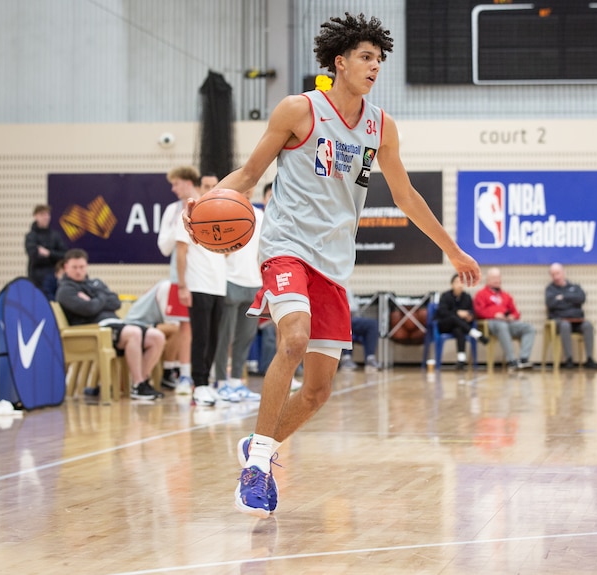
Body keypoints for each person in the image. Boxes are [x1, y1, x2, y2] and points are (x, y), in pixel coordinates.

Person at [183, 13, 480, 518]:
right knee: (293, 338)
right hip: (286, 245)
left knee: (318, 391)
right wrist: (211, 197)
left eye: (379, 60)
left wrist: (452, 249)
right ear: (339, 63)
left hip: (335, 263)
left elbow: (405, 196)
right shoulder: (298, 110)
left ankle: (259, 442)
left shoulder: (380, 126)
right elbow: (252, 173)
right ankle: (258, 465)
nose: (374, 67)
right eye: (366, 57)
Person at [56, 249, 166, 401]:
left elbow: (115, 302)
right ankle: (139, 383)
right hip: (95, 330)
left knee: (157, 336)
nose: (78, 271)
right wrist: (101, 297)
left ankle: (140, 383)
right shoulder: (65, 290)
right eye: (74, 267)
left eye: (81, 267)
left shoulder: (95, 283)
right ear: (66, 267)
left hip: (116, 324)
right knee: (134, 333)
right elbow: (89, 309)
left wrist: (94, 298)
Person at [175, 175, 227, 406]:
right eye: (206, 186)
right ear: (198, 187)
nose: (210, 189)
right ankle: (199, 384)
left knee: (214, 337)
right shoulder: (191, 213)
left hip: (218, 285)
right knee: (201, 336)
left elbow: (226, 251)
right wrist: (183, 285)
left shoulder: (223, 214)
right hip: (197, 284)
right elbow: (181, 252)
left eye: (214, 186)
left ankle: (207, 382)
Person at [214, 186, 264, 402]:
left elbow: (263, 248)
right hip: (229, 280)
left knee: (245, 337)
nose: (248, 190)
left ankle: (236, 382)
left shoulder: (260, 215)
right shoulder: (224, 212)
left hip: (254, 281)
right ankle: (220, 383)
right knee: (224, 336)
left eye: (251, 188)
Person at [158, 167, 200, 392]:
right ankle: (184, 375)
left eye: (175, 184)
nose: (173, 189)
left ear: (187, 182)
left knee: (206, 327)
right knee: (184, 326)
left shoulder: (204, 203)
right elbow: (164, 248)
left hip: (206, 277)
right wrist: (179, 226)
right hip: (181, 275)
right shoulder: (172, 211)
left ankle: (208, 374)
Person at [122, 279, 187, 388]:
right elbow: (170, 322)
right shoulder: (168, 287)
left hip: (151, 324)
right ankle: (168, 371)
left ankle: (176, 369)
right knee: (179, 329)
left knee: (183, 330)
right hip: (136, 324)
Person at [473, 267, 536, 370]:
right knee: (502, 326)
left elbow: (515, 312)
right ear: (488, 279)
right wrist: (494, 315)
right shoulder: (481, 294)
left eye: (498, 277)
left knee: (529, 328)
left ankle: (523, 359)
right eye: (494, 278)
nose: (497, 280)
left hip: (507, 323)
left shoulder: (506, 295)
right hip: (492, 323)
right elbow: (479, 311)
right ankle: (511, 361)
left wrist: (512, 316)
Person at [545, 263, 597, 369]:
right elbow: (551, 304)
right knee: (565, 325)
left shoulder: (575, 287)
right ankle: (569, 359)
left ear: (563, 272)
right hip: (560, 321)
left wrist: (563, 297)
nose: (556, 277)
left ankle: (590, 359)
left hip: (577, 321)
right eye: (553, 274)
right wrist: (571, 300)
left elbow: (581, 298)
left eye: (558, 273)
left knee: (588, 325)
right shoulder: (550, 289)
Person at [435, 273, 489, 370]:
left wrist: (470, 316)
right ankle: (475, 333)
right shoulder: (445, 296)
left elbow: (472, 312)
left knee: (458, 330)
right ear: (452, 284)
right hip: (445, 325)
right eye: (457, 282)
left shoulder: (467, 297)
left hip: (461, 326)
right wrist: (457, 312)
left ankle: (461, 360)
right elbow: (442, 311)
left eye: (462, 282)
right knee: (453, 317)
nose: (459, 285)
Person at [25, 204, 68, 295]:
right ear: (35, 216)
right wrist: (54, 256)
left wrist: (48, 253)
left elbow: (64, 255)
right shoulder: (31, 237)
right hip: (37, 278)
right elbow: (34, 256)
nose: (46, 217)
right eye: (42, 214)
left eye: (47, 214)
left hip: (54, 276)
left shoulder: (55, 235)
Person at [339, 290, 381, 372]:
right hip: (339, 319)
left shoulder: (346, 287)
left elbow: (354, 308)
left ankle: (370, 358)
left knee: (373, 324)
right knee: (346, 322)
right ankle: (346, 359)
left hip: (352, 318)